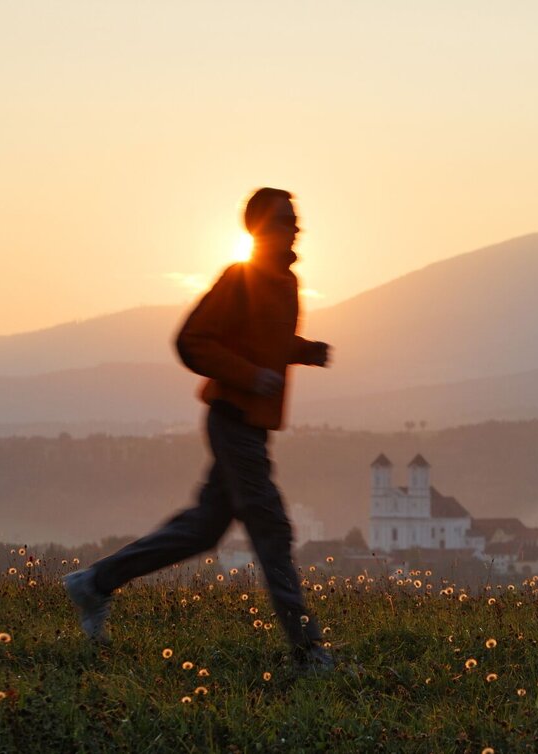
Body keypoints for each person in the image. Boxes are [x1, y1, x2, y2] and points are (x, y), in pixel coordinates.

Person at [64, 187, 335, 672]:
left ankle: (94, 583)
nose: (296, 227)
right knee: (272, 528)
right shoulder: (240, 278)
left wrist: (303, 351)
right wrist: (249, 376)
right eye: (284, 219)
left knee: (201, 531)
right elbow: (192, 341)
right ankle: (308, 653)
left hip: (250, 427)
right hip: (232, 422)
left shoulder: (284, 282)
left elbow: (263, 340)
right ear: (259, 229)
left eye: (295, 218)